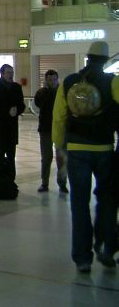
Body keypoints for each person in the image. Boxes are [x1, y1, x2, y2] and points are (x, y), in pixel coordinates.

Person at [52, 41, 118, 272]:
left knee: (79, 203)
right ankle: (107, 247)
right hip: (104, 150)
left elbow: (59, 117)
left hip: (76, 150)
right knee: (107, 200)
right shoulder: (113, 82)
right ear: (106, 60)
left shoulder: (69, 82)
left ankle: (82, 258)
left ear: (87, 58)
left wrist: (60, 145)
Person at [0, 63, 25, 179]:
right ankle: (0, 181)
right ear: (2, 74)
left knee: (11, 156)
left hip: (12, 128)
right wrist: (7, 111)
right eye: (8, 73)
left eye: (12, 73)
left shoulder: (16, 87)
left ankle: (11, 180)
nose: (11, 75)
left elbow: (21, 105)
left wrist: (17, 110)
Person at [33, 69, 68, 193]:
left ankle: (62, 183)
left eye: (54, 79)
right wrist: (47, 91)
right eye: (49, 80)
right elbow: (38, 104)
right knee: (46, 157)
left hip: (60, 128)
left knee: (61, 158)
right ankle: (45, 183)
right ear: (45, 80)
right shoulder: (42, 92)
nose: (52, 82)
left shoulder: (63, 91)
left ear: (57, 79)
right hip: (46, 129)